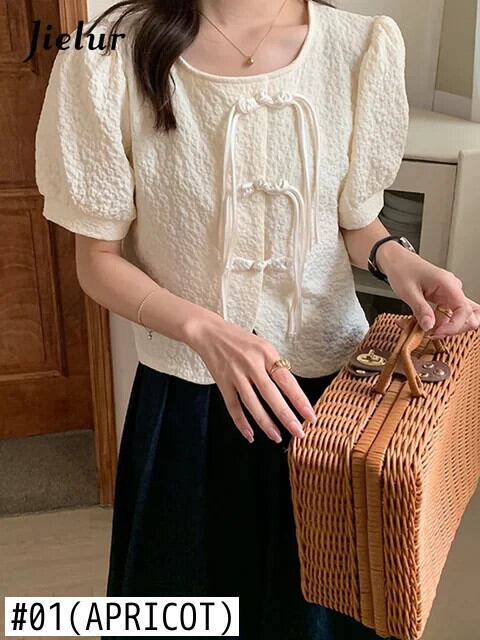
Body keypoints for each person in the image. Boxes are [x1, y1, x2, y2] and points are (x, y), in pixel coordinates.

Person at [35, 1, 480, 638]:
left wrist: (396, 257)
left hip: (331, 410)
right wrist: (206, 332)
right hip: (189, 407)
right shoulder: (107, 51)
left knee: (320, 616)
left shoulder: (359, 47)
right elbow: (97, 261)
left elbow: (355, 221)